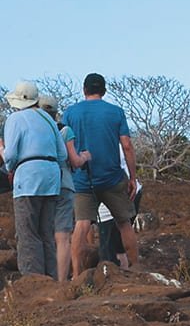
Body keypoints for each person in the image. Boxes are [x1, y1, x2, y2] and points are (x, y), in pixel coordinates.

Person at [62, 73, 139, 277]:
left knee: (81, 224)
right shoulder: (116, 112)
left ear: (84, 90)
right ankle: (136, 270)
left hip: (82, 179)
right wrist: (132, 177)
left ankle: (77, 276)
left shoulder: (70, 113)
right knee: (124, 223)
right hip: (112, 178)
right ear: (104, 91)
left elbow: (63, 144)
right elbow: (127, 145)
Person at [3, 82, 68, 277]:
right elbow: (62, 154)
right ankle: (51, 281)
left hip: (28, 179)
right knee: (46, 233)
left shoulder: (15, 118)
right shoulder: (48, 119)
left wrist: (7, 163)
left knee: (27, 234)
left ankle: (33, 282)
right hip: (52, 178)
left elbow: (10, 154)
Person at [38, 95, 91, 282]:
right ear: (56, 112)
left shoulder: (35, 130)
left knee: (42, 233)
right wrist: (85, 157)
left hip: (40, 184)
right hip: (63, 183)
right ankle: (60, 283)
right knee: (62, 237)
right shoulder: (64, 130)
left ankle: (41, 280)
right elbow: (74, 161)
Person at [97, 146, 143, 267]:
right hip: (131, 189)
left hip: (114, 192)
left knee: (109, 254)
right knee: (119, 246)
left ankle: (124, 272)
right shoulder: (115, 138)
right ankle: (130, 270)